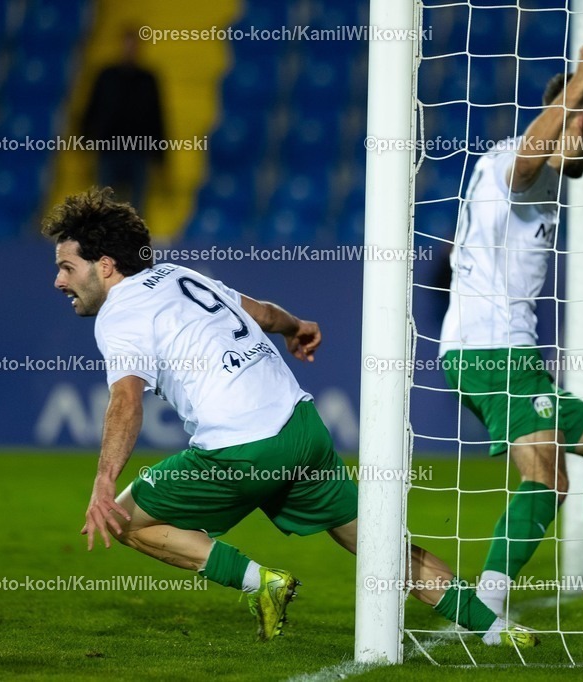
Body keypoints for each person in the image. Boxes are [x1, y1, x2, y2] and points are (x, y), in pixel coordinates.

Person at [43, 187, 536, 646]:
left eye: (67, 267)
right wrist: (297, 326)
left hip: (240, 449)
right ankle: (496, 628)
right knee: (379, 545)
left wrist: (104, 482)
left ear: (105, 265)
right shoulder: (177, 274)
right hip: (302, 428)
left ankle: (262, 581)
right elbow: (259, 312)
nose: (59, 280)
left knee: (123, 520)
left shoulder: (119, 314)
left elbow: (126, 400)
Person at [439, 46, 583, 630]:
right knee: (546, 482)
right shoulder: (513, 165)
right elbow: (534, 154)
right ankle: (484, 616)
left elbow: (570, 130)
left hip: (511, 355)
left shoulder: (551, 158)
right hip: (492, 352)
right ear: (576, 123)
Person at [81, 29, 166, 212]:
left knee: (136, 207)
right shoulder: (106, 76)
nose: (130, 49)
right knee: (105, 205)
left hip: (139, 151)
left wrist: (160, 154)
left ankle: (133, 240)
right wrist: (85, 138)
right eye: (127, 44)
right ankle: (107, 239)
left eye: (134, 45)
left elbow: (157, 115)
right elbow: (93, 107)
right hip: (109, 149)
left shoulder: (148, 79)